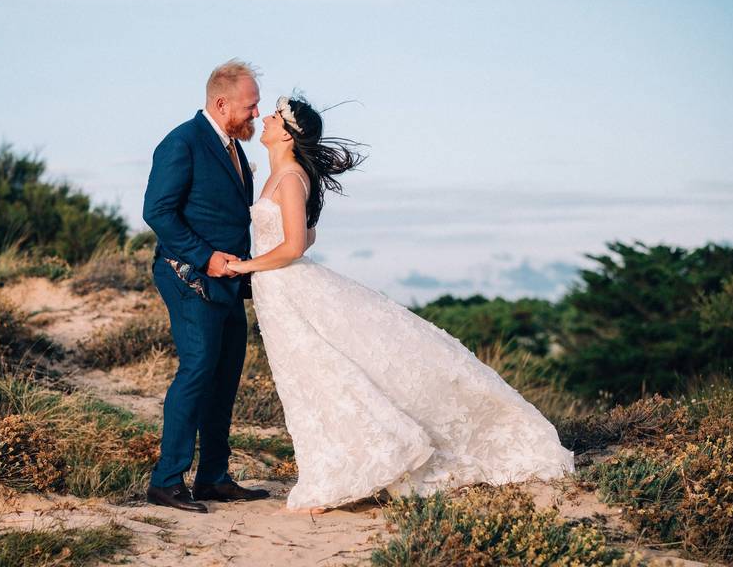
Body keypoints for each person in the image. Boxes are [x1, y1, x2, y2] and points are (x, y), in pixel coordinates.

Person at [224, 94, 575, 511]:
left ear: (288, 134)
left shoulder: (290, 177)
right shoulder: (279, 176)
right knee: (310, 379)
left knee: (322, 374)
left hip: (290, 290)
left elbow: (296, 245)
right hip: (279, 293)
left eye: (276, 116)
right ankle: (338, 468)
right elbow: (309, 236)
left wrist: (242, 267)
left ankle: (353, 470)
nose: (265, 119)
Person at [141, 59, 270, 513]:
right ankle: (166, 481)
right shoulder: (182, 142)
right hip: (188, 276)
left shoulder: (234, 148)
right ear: (221, 102)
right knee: (197, 370)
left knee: (226, 374)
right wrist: (205, 258)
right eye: (250, 106)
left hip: (231, 283)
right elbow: (157, 212)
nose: (256, 114)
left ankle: (213, 477)